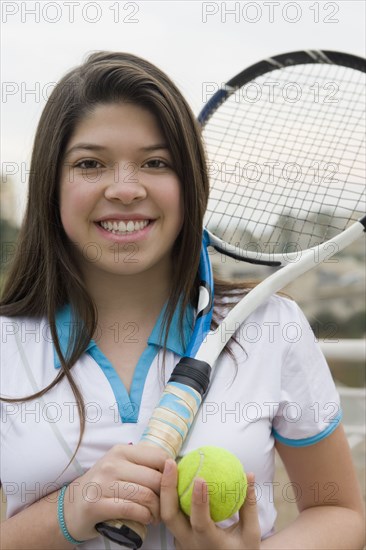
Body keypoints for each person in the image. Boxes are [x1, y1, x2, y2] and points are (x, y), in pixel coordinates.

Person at [0, 51, 364, 550]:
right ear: (50, 185)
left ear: (188, 182)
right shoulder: (6, 341)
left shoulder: (270, 327)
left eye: (155, 162)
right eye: (90, 163)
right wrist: (69, 510)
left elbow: (340, 512)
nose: (125, 189)